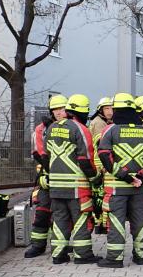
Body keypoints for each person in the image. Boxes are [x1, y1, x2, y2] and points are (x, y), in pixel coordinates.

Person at [97, 92, 143, 268]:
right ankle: (140, 255)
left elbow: (104, 155)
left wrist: (124, 175)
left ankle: (115, 258)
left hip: (117, 188)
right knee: (139, 221)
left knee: (116, 222)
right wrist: (141, 176)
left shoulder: (110, 130)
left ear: (117, 110)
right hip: (140, 187)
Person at [45, 94, 100, 264]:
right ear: (83, 112)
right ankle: (83, 255)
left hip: (56, 186)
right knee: (81, 219)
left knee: (60, 220)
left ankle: (58, 255)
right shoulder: (80, 129)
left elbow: (46, 155)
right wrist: (95, 177)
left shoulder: (52, 128)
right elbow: (85, 159)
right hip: (77, 187)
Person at [23, 100, 57, 258]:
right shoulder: (41, 129)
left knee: (62, 216)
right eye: (56, 109)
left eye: (62, 109)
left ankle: (60, 246)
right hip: (46, 178)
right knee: (42, 212)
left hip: (66, 178)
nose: (59, 112)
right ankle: (38, 245)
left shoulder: (72, 127)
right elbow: (38, 151)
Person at [88, 97, 113, 235]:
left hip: (99, 164)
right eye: (107, 108)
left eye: (111, 108)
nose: (110, 111)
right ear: (100, 110)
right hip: (100, 165)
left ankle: (100, 223)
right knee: (101, 195)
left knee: (100, 195)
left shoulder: (103, 122)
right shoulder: (99, 124)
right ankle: (101, 224)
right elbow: (101, 147)